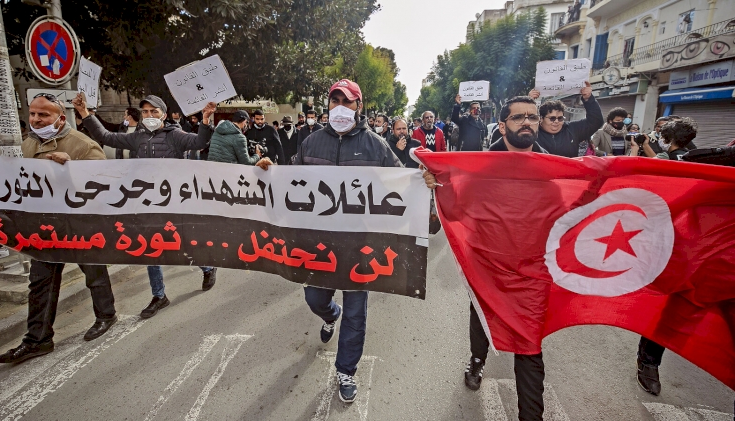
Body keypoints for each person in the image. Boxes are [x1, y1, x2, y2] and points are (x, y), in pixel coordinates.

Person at [257, 79, 435, 404]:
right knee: (314, 299)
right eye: (334, 100)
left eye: (347, 101)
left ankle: (346, 370)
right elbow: (290, 181)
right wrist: (269, 173)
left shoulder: (376, 146)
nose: (340, 106)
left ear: (359, 106)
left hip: (359, 247)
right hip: (318, 246)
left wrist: (422, 183)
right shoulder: (310, 144)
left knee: (357, 313)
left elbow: (401, 186)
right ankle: (329, 315)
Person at [0, 93, 118, 365]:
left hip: (80, 225)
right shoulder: (25, 145)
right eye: (33, 114)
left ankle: (105, 316)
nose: (37, 119)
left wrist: (72, 168)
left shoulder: (82, 145)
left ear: (60, 118)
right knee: (40, 282)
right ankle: (37, 340)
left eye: (44, 115)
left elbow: (104, 184)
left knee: (94, 273)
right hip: (44, 229)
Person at [75, 93, 219, 319]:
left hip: (173, 202)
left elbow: (199, 142)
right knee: (151, 249)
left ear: (163, 113)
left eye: (154, 111)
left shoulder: (175, 135)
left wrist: (206, 120)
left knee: (180, 244)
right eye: (145, 112)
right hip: (147, 203)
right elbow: (105, 136)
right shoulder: (137, 138)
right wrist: (85, 114)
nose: (149, 116)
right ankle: (159, 296)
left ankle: (208, 267)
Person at [465, 96, 547, 421]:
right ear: (502, 126)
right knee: (482, 317)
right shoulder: (482, 165)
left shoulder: (554, 168)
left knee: (530, 344)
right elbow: (458, 199)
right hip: (488, 262)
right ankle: (477, 359)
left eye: (532, 117)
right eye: (518, 118)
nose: (527, 122)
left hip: (532, 270)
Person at [630, 118, 698, 397]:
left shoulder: (704, 157)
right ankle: (648, 362)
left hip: (705, 240)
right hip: (676, 239)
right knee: (669, 298)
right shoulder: (669, 157)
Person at [528, 81, 603, 157]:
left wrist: (589, 99)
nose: (556, 121)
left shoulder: (572, 129)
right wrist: (528, 102)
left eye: (560, 118)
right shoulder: (531, 132)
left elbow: (596, 121)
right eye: (552, 118)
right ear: (541, 119)